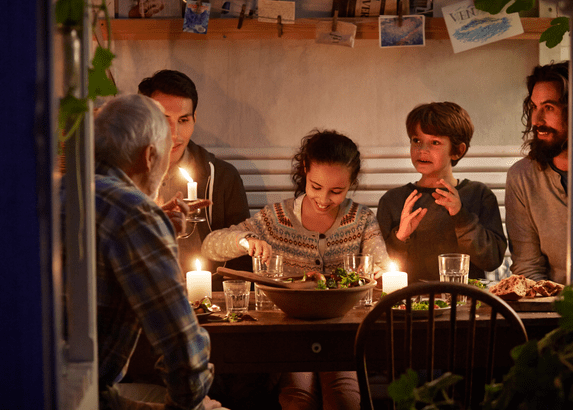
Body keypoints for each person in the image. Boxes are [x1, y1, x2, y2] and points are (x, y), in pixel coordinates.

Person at [202, 129, 388, 410]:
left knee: (344, 397)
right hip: (292, 335)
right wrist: (245, 240)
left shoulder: (361, 219)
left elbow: (383, 267)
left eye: (337, 191)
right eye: (316, 186)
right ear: (305, 171)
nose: (324, 199)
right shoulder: (277, 218)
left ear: (351, 183)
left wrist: (376, 272)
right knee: (297, 398)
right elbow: (210, 246)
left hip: (343, 335)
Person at [78, 94, 220, 409]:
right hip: (83, 398)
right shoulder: (134, 214)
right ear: (149, 155)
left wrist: (159, 226)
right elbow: (183, 353)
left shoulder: (63, 190)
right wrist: (189, 402)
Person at [138, 69, 252, 279]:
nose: (175, 133)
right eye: (164, 120)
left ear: (194, 118)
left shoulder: (223, 177)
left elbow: (242, 261)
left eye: (183, 120)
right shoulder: (125, 176)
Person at [376, 102, 507, 283]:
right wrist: (400, 237)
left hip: (465, 303)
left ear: (457, 151)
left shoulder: (479, 195)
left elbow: (492, 260)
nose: (422, 150)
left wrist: (462, 217)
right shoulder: (392, 200)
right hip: (411, 304)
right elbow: (379, 269)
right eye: (416, 140)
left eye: (435, 142)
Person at [504, 61, 573, 285]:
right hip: (554, 308)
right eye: (534, 107)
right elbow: (527, 266)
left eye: (548, 107)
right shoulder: (522, 177)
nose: (536, 121)